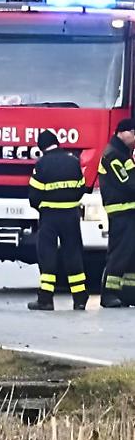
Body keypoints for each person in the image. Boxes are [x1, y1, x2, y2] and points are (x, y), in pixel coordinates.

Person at [27, 130, 88, 310]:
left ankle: (45, 299)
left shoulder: (42, 164)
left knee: (48, 255)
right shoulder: (73, 161)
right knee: (73, 254)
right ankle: (79, 298)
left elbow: (34, 196)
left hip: (50, 217)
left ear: (41, 146)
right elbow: (81, 188)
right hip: (71, 215)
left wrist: (43, 206)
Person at [98, 118, 135, 308]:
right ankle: (109, 293)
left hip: (130, 211)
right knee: (120, 253)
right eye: (133, 133)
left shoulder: (123, 153)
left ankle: (128, 293)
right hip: (121, 212)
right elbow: (128, 183)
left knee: (130, 255)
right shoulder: (113, 156)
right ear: (122, 132)